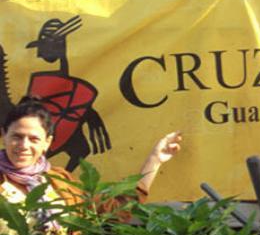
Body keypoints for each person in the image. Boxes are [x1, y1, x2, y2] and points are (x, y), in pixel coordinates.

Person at [0, 95, 181, 227]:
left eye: (33, 139)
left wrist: (155, 160)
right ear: (3, 135)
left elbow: (117, 209)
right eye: (17, 136)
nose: (23, 145)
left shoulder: (61, 182)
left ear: (47, 142)